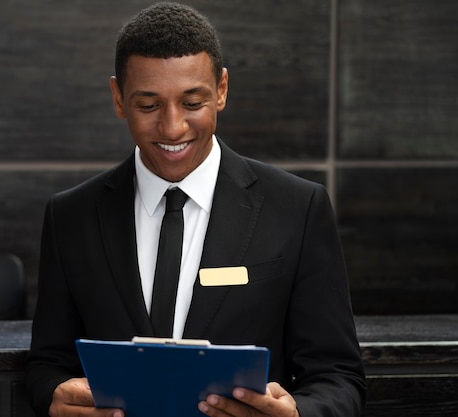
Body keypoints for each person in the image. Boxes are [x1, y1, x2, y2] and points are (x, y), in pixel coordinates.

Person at [25, 2, 366, 417]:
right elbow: (47, 365)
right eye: (148, 106)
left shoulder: (299, 208)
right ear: (118, 98)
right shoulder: (70, 217)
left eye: (192, 103)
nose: (172, 128)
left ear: (221, 90)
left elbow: (339, 377)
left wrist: (296, 414)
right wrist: (53, 398)